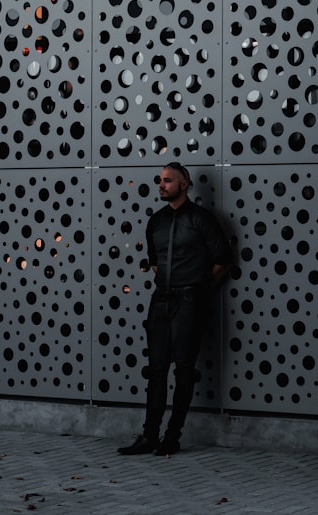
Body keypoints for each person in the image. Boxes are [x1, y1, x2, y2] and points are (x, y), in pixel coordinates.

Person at [118, 162, 233, 456]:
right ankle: (149, 436)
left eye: (168, 180)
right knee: (156, 370)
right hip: (160, 301)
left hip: (189, 301)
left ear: (185, 184)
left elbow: (222, 261)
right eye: (160, 180)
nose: (161, 184)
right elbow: (155, 261)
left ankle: (172, 437)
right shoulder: (155, 221)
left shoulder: (201, 219)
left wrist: (198, 291)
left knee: (183, 370)